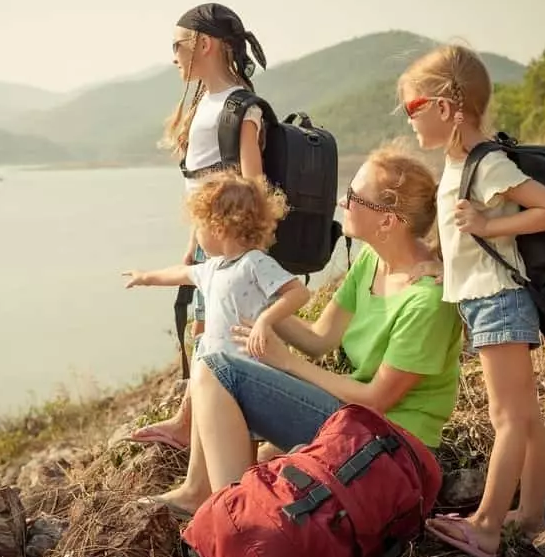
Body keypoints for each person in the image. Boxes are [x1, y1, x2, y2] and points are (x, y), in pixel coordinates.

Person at [144, 146, 464, 516]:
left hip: (390, 447)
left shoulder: (426, 301)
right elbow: (318, 339)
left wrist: (285, 363)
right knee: (220, 363)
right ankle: (204, 493)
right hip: (353, 420)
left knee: (219, 369)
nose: (343, 201)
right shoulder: (372, 262)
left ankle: (235, 520)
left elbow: (376, 400)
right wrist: (256, 306)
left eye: (355, 196)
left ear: (388, 221)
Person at [398, 44, 545, 557]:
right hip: (484, 301)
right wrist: (434, 263)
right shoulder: (458, 165)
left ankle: (489, 525)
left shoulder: (487, 162)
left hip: (497, 301)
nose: (410, 121)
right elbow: (465, 244)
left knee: (508, 418)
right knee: (527, 416)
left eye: (413, 108)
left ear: (447, 108)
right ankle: (532, 513)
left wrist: (491, 224)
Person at [127, 3, 269, 451]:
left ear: (204, 44)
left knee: (219, 340)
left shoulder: (239, 107)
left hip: (230, 246)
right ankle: (188, 422)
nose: (173, 57)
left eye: (177, 45)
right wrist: (191, 244)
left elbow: (253, 185)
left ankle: (211, 430)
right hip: (209, 243)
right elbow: (200, 187)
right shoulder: (205, 104)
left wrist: (245, 253)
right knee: (203, 332)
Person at [123, 171, 310, 362]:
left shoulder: (254, 262)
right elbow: (180, 272)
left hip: (250, 364)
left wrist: (265, 320)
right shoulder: (212, 267)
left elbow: (299, 293)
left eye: (198, 227)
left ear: (218, 229)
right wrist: (146, 277)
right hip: (218, 365)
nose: (196, 236)